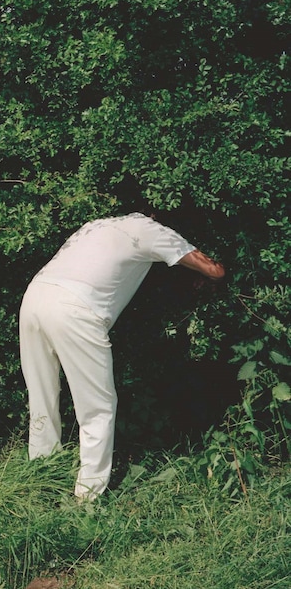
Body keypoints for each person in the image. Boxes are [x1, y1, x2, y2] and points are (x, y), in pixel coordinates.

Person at [19, 211, 225, 501]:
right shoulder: (150, 229)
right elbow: (213, 270)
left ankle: (40, 477)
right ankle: (88, 496)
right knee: (98, 407)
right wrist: (220, 268)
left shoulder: (97, 224)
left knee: (41, 394)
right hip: (76, 308)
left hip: (35, 296)